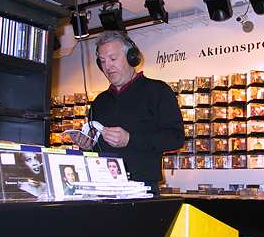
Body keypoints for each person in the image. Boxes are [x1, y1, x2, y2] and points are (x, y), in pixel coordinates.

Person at [71, 30, 184, 195]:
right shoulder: (99, 102)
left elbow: (176, 138)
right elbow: (96, 152)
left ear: (132, 58)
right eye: (102, 61)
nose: (107, 66)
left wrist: (130, 139)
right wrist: (87, 146)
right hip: (103, 188)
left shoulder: (158, 91)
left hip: (142, 189)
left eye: (113, 59)